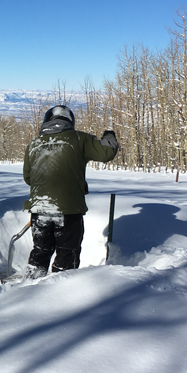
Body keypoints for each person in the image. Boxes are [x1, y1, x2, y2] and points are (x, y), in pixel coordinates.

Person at [23, 105, 118, 278]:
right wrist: (109, 135)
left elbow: (28, 178)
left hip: (39, 209)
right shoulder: (79, 139)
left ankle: (29, 286)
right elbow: (106, 153)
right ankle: (60, 294)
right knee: (67, 254)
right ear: (69, 120)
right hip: (68, 210)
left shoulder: (33, 145)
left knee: (40, 251)